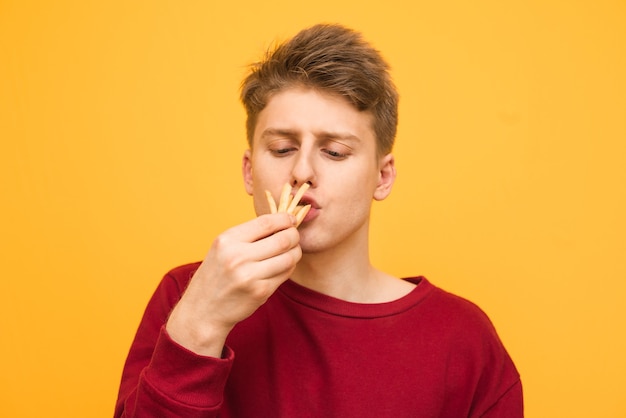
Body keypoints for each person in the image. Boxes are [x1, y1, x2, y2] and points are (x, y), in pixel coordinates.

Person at [114, 23, 523, 417]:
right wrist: (200, 322)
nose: (303, 171)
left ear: (383, 177)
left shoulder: (463, 338)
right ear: (248, 171)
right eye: (281, 148)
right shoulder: (187, 295)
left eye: (335, 152)